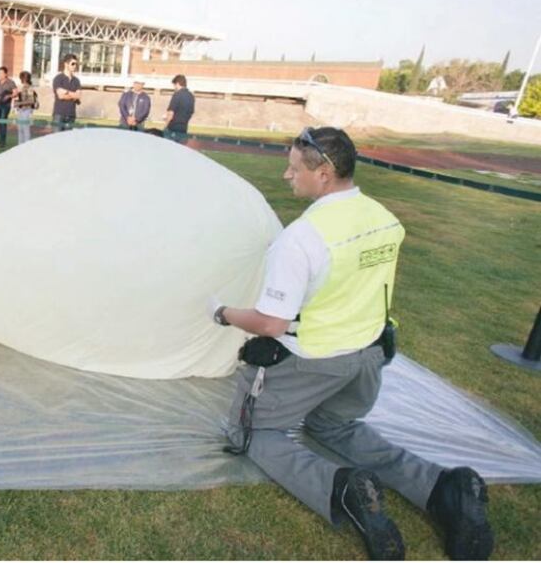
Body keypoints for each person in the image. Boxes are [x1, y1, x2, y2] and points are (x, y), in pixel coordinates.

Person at [211, 127, 493, 561]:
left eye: (293, 168)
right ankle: (443, 487)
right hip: (368, 359)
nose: (287, 176)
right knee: (332, 426)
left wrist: (224, 313)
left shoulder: (302, 238)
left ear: (323, 173)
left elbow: (271, 322)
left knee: (250, 432)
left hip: (315, 361)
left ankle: (342, 489)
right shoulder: (383, 218)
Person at [52, 53, 81, 132]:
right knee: (56, 140)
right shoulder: (58, 79)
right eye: (73, 64)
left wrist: (66, 92)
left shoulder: (76, 81)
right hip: (59, 114)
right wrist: (73, 95)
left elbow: (78, 96)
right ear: (66, 64)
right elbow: (61, 96)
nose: (75, 66)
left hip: (71, 115)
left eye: (76, 64)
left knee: (67, 142)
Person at [163, 74, 194, 142]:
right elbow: (191, 112)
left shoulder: (177, 95)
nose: (174, 87)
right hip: (184, 128)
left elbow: (171, 113)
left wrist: (165, 125)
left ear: (177, 83)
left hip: (173, 128)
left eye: (174, 85)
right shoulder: (191, 96)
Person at [13, 71, 38, 145]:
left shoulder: (30, 88)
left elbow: (31, 101)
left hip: (26, 110)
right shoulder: (23, 87)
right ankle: (20, 146)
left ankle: (27, 146)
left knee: (25, 130)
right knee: (20, 130)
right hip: (21, 110)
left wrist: (19, 103)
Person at [0, 66, 17, 148]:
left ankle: (3, 142)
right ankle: (0, 139)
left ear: (6, 73)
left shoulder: (10, 82)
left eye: (1, 73)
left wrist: (9, 96)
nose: (0, 75)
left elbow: (15, 92)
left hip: (5, 105)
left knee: (3, 122)